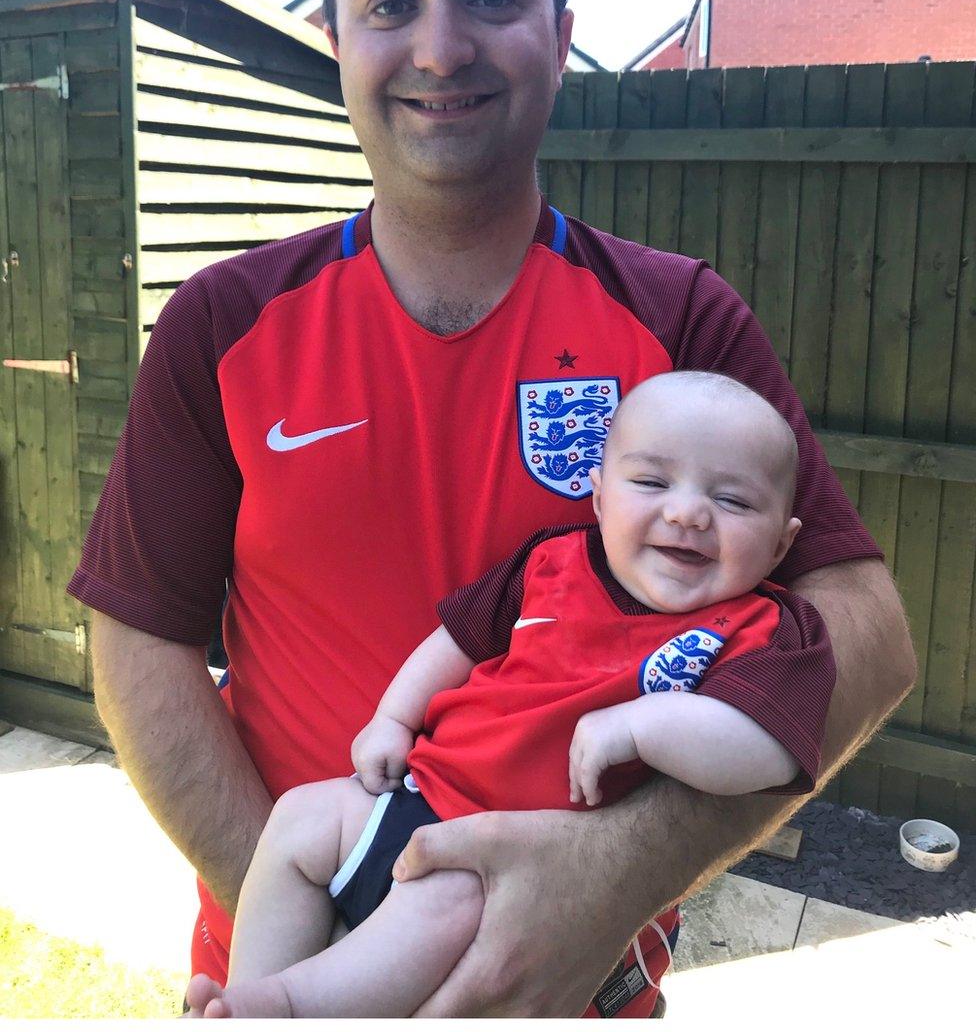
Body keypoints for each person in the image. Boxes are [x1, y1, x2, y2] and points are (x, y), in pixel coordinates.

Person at [71, 0, 915, 1018]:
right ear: (338, 45)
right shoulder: (226, 322)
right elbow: (139, 650)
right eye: (389, 3)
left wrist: (605, 883)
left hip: (571, 991)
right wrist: (343, 944)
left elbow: (866, 633)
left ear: (561, 35)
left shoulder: (678, 322)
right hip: (279, 982)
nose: (439, 45)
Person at [184, 372, 834, 1018]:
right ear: (600, 499)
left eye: (734, 502)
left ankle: (288, 1005)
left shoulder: (762, 630)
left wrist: (641, 728)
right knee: (301, 818)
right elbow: (455, 642)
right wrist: (393, 717)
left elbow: (766, 754)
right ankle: (254, 987)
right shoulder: (554, 564)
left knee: (439, 908)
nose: (688, 512)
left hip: (511, 866)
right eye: (653, 482)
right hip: (419, 795)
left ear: (782, 542)